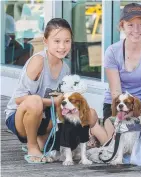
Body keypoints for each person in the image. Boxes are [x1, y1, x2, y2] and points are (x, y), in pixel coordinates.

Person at [4, 18, 100, 163]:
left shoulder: (65, 68)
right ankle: (32, 146)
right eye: (56, 41)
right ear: (45, 41)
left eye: (67, 41)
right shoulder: (38, 61)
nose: (62, 46)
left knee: (90, 114)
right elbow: (19, 99)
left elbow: (61, 102)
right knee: (35, 101)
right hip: (20, 118)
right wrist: (53, 101)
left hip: (45, 118)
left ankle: (45, 140)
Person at [90, 3, 141, 147]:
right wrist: (125, 111)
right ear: (122, 26)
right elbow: (116, 92)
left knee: (140, 146)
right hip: (117, 105)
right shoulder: (112, 51)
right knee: (112, 145)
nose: (136, 30)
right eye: (131, 25)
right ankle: (93, 128)